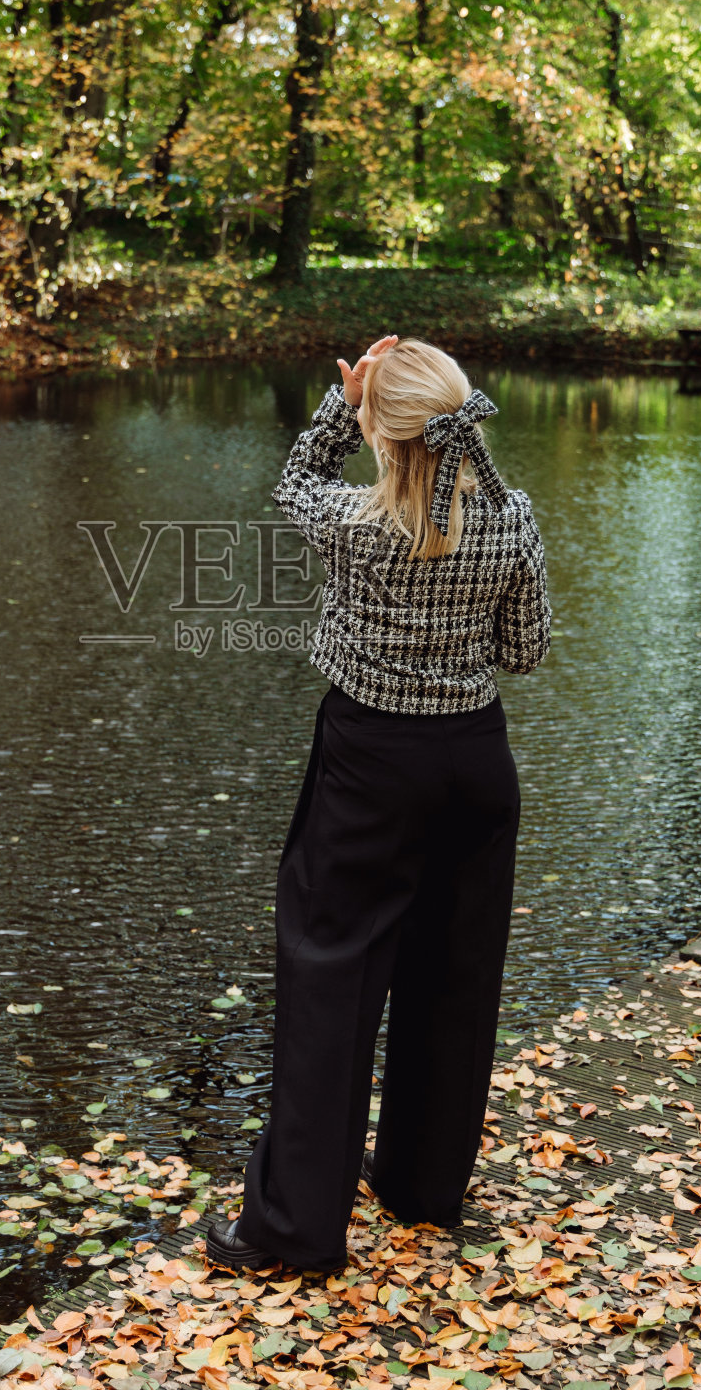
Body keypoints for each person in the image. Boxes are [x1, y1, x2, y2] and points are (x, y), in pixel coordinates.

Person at [205, 334, 552, 1275]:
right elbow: (524, 650)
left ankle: (292, 1230)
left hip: (369, 763)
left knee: (330, 975)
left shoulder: (354, 522)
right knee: (454, 974)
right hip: (474, 766)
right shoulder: (510, 518)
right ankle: (420, 1185)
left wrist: (340, 402)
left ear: (380, 436)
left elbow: (292, 481)